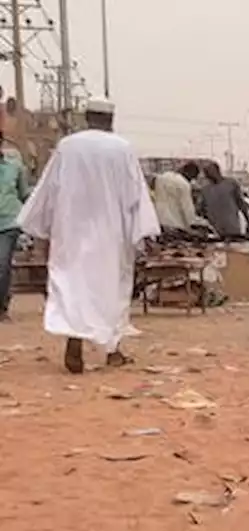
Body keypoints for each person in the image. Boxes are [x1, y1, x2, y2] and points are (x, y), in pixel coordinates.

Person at [17, 98, 160, 373]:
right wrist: (141, 232)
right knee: (112, 289)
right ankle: (113, 350)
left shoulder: (68, 146)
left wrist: (43, 231)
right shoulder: (122, 148)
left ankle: (74, 337)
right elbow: (135, 195)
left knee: (72, 285)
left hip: (71, 230)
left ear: (87, 118)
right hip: (112, 232)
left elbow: (49, 189)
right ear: (110, 120)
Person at [0, 143, 30, 322]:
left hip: (8, 222)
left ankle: (1, 307)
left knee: (2, 265)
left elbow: (24, 193)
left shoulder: (14, 167)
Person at [199, 161, 249, 238]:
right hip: (215, 231)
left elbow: (241, 203)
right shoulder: (205, 189)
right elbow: (201, 210)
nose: (207, 174)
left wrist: (248, 222)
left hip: (232, 228)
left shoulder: (231, 184)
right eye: (205, 172)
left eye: (208, 171)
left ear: (217, 171)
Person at [153, 162, 200, 231]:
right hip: (176, 226)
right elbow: (187, 209)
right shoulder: (184, 184)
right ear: (190, 174)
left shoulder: (161, 177)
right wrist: (196, 223)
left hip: (159, 223)